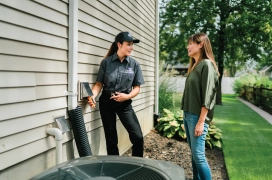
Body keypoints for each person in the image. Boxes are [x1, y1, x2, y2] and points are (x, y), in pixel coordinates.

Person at [87, 31, 145, 157]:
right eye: (128, 44)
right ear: (119, 44)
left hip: (125, 104)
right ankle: (114, 166)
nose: (131, 47)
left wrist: (127, 97)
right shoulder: (106, 62)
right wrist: (92, 95)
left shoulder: (134, 64)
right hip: (107, 103)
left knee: (137, 136)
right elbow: (99, 84)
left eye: (132, 44)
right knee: (111, 138)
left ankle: (138, 165)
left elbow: (137, 88)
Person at [181, 32, 219, 180]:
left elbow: (208, 96)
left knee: (199, 156)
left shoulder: (207, 65)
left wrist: (201, 121)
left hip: (197, 116)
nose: (187, 46)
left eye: (191, 43)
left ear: (200, 44)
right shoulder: (195, 65)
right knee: (194, 155)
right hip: (188, 114)